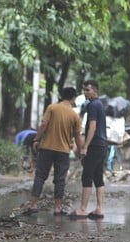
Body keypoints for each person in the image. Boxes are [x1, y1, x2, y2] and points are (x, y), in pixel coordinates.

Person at [25, 87, 83, 215]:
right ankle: (57, 208)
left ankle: (33, 205)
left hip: (46, 148)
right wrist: (81, 151)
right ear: (73, 98)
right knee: (60, 179)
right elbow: (78, 135)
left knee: (40, 176)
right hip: (63, 151)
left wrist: (36, 139)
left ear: (62, 96)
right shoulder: (74, 115)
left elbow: (43, 125)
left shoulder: (52, 108)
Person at [70, 80, 107, 220]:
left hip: (95, 145)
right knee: (98, 177)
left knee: (87, 176)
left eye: (87, 90)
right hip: (103, 145)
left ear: (95, 91)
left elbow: (92, 126)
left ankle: (83, 209)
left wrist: (85, 147)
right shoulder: (100, 105)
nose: (85, 92)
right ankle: (99, 209)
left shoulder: (92, 105)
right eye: (84, 90)